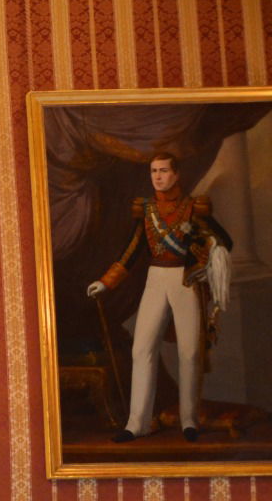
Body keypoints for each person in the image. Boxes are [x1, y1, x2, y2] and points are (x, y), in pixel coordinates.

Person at [86, 151, 232, 443]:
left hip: (185, 281)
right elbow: (131, 252)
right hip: (155, 279)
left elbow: (223, 242)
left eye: (164, 171)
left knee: (189, 352)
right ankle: (137, 423)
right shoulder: (147, 211)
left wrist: (206, 260)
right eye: (154, 171)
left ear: (176, 175)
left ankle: (189, 421)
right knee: (142, 350)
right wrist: (106, 282)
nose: (158, 176)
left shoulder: (194, 208)